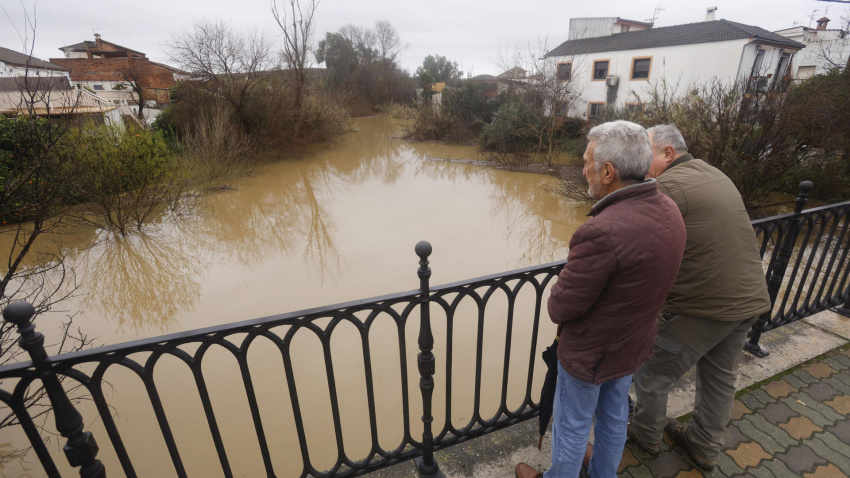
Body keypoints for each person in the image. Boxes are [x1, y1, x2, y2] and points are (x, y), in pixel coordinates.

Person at [516, 121, 686, 478]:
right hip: (633, 344)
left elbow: (560, 307)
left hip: (590, 356)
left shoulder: (600, 232)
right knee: (614, 416)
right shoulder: (668, 209)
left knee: (573, 426)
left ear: (608, 172)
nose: (583, 170)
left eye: (587, 162)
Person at [628, 125, 771, 472]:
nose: (641, 160)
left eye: (646, 151)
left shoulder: (668, 187)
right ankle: (704, 445)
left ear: (667, 153)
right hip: (748, 299)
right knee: (721, 377)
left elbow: (633, 239)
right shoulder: (713, 173)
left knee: (652, 371)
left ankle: (646, 435)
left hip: (701, 307)